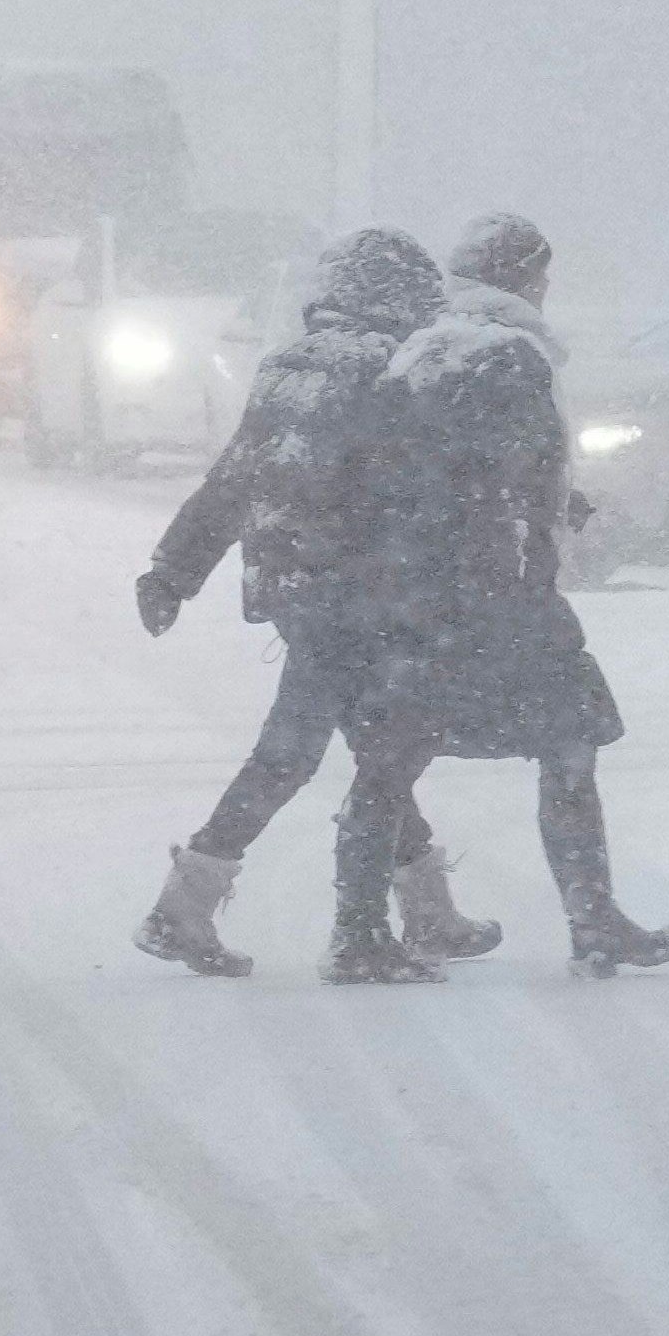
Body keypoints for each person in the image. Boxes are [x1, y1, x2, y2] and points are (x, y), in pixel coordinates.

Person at [341, 213, 669, 981]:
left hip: (410, 593)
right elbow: (505, 483)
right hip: (497, 598)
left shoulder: (421, 349)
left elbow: (419, 474)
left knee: (393, 758)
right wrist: (533, 551)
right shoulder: (513, 355)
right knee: (569, 744)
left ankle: (359, 928)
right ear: (527, 278)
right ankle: (593, 919)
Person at [130, 227, 482, 981]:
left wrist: (172, 570)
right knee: (307, 757)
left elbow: (234, 481)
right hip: (361, 595)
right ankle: (194, 909)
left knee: (369, 752)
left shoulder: (286, 368)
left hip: (299, 592)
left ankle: (427, 910)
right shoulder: (386, 373)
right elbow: (418, 489)